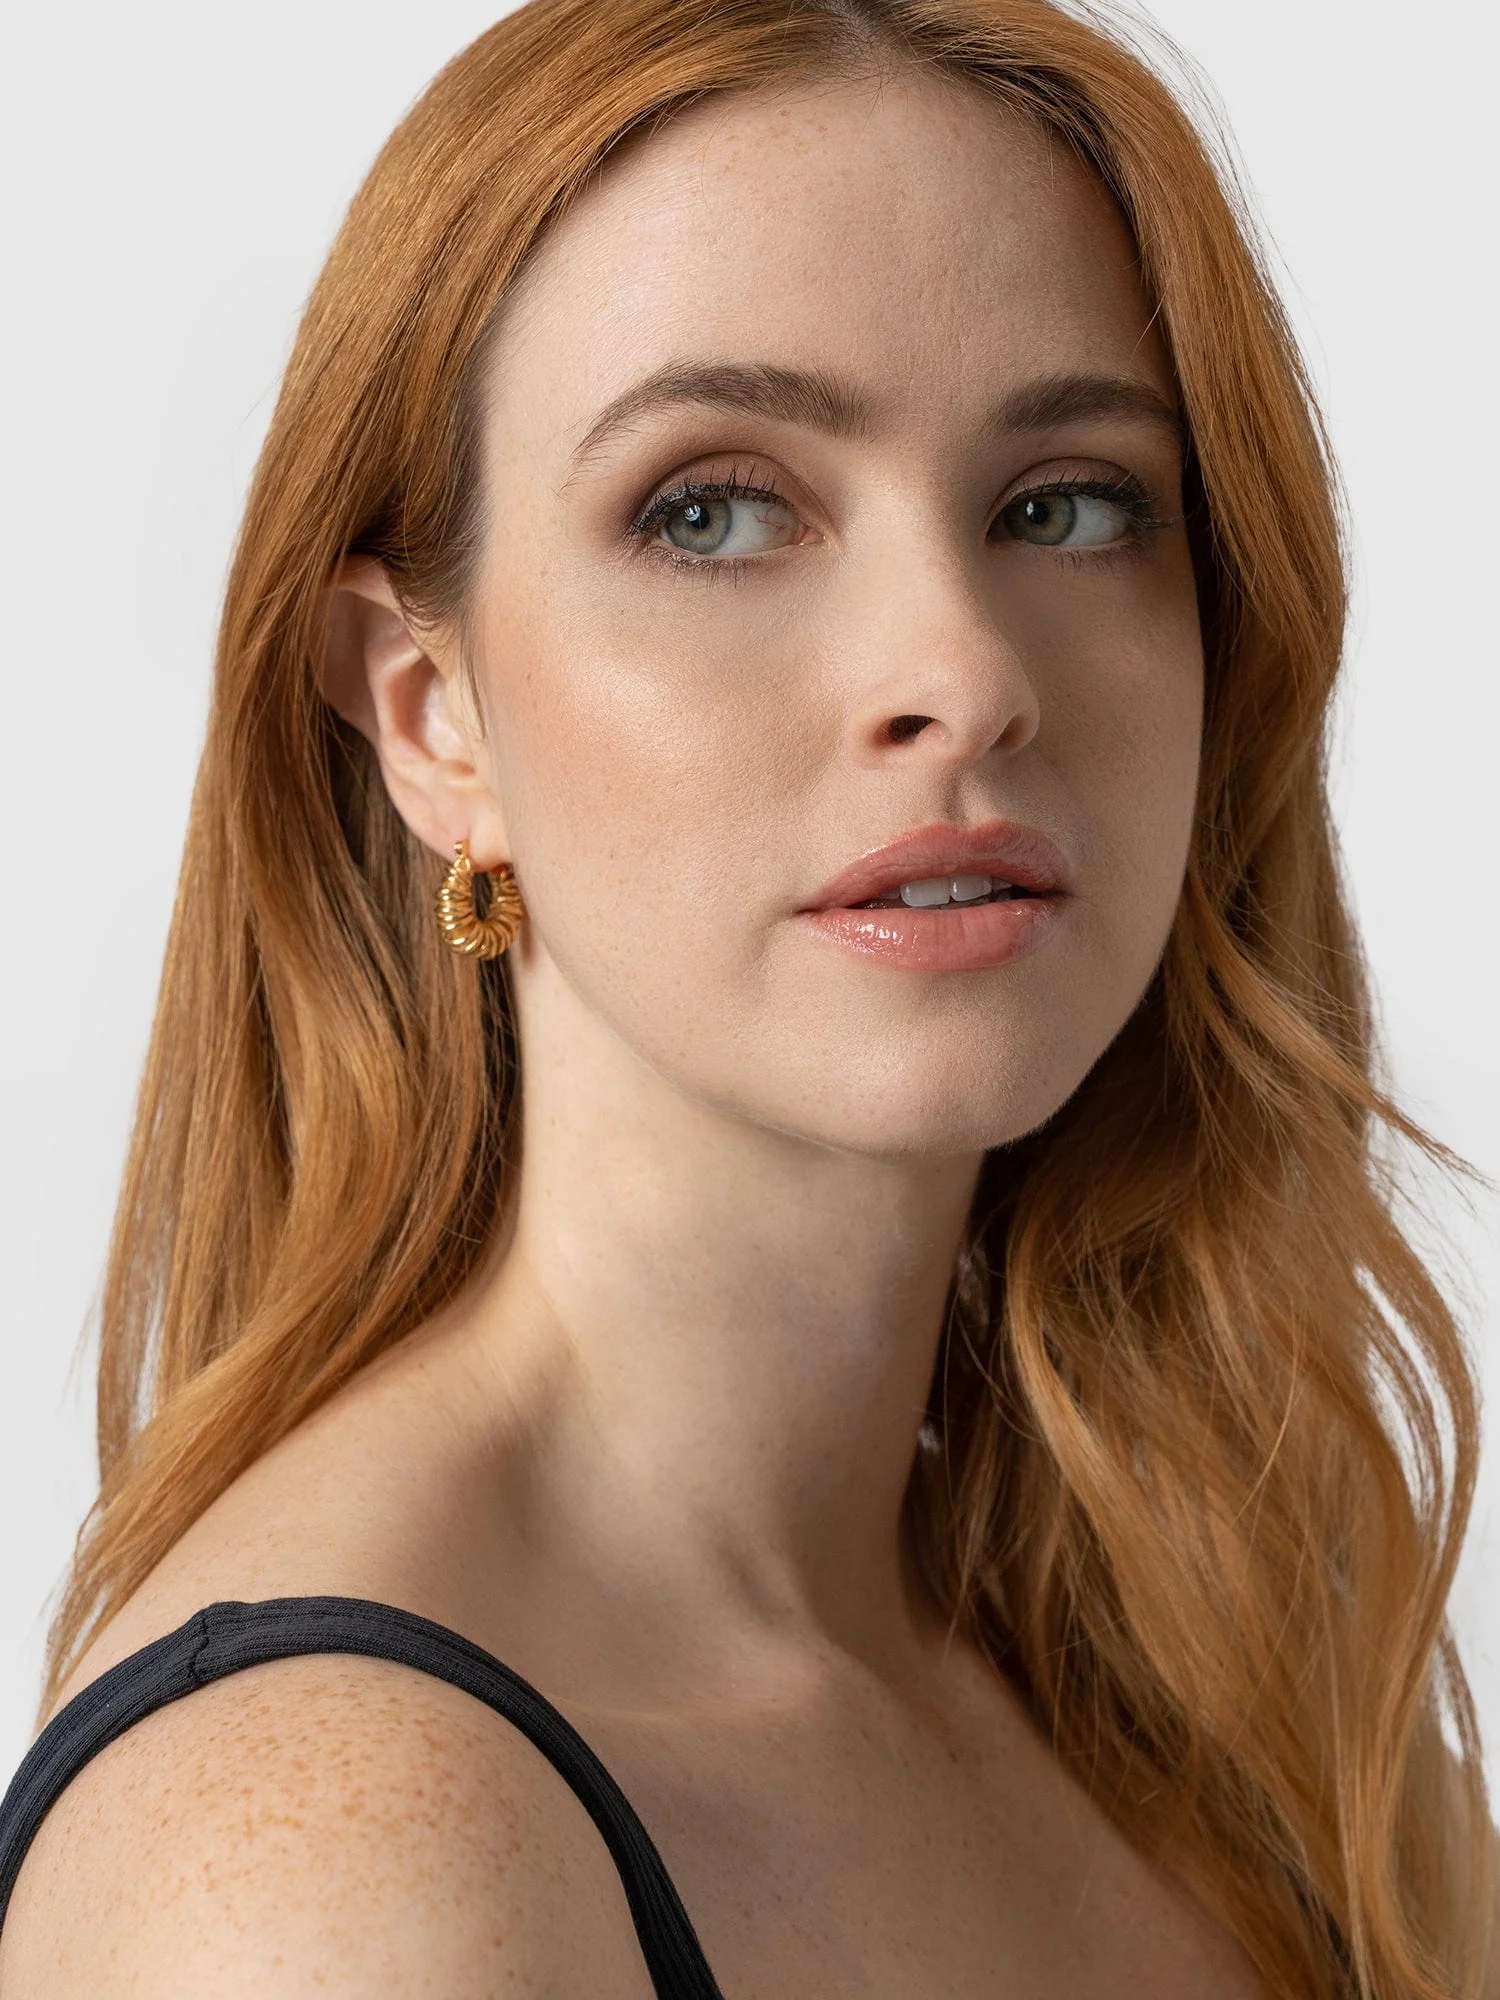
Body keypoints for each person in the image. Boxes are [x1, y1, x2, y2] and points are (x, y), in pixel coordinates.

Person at [0, 0, 1493, 1992]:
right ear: (431, 716)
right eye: (711, 509)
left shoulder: (1236, 1694)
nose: (962, 674)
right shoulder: (324, 1867)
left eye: (1066, 501)